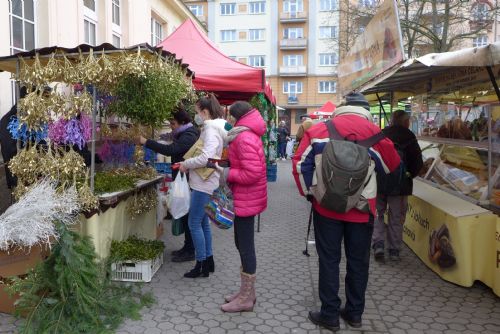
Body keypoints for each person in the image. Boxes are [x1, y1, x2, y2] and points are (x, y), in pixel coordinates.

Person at [292, 92, 400, 331]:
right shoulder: (377, 134)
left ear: (342, 108)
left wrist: (311, 194)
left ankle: (329, 314)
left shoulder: (319, 130)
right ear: (365, 110)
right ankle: (354, 314)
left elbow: (299, 164)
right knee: (358, 262)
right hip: (362, 211)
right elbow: (393, 168)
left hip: (326, 208)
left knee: (329, 260)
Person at [217, 101, 267, 313]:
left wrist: (227, 173)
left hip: (246, 199)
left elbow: (252, 173)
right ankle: (247, 292)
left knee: (245, 247)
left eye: (229, 117)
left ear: (235, 118)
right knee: (241, 244)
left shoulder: (243, 137)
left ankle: (246, 298)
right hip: (246, 198)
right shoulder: (246, 133)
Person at [136, 108, 200, 262]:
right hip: (181, 179)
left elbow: (171, 150)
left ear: (183, 122)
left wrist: (146, 142)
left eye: (173, 123)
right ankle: (187, 246)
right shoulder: (183, 133)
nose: (171, 126)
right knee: (184, 215)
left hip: (186, 180)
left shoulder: (189, 135)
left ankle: (191, 250)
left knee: (187, 215)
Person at [179, 95, 227, 278]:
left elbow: (206, 157)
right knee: (203, 222)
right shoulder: (215, 128)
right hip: (208, 182)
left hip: (203, 184)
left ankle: (200, 265)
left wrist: (187, 164)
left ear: (205, 112)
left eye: (197, 111)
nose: (196, 115)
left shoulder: (210, 130)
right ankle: (208, 261)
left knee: (194, 223)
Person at [372, 110, 423, 262]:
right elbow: (417, 163)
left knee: (378, 214)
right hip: (400, 186)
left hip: (379, 182)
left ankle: (378, 244)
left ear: (392, 121)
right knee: (396, 217)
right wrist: (409, 176)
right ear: (406, 122)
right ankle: (394, 250)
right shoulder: (409, 137)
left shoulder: (381, 134)